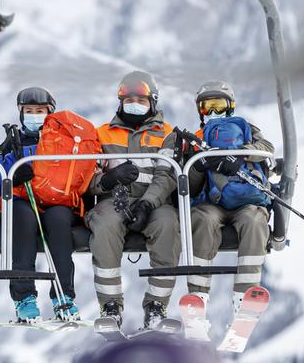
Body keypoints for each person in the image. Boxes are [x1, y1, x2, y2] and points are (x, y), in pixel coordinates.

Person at [86, 70, 181, 330]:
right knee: (104, 225)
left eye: (141, 100)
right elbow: (87, 178)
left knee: (168, 225)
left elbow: (166, 175)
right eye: (129, 101)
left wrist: (148, 202)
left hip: (154, 201)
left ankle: (156, 307)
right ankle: (111, 306)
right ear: (120, 102)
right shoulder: (101, 134)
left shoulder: (167, 134)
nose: (134, 105)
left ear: (152, 102)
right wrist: (108, 180)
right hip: (114, 200)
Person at [184, 80, 275, 315]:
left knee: (255, 221)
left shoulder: (245, 128)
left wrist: (241, 154)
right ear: (200, 111)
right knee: (202, 220)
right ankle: (198, 296)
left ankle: (245, 296)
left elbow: (266, 148)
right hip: (210, 203)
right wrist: (198, 166)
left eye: (219, 106)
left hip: (245, 199)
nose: (214, 112)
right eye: (207, 107)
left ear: (230, 106)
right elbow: (189, 188)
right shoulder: (195, 139)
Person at [0, 87, 82, 322]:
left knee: (59, 220)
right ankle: (24, 297)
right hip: (24, 198)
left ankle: (63, 295)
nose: (34, 115)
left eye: (40, 111)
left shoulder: (63, 141)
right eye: (29, 111)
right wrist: (13, 175)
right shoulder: (13, 143)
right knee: (23, 219)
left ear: (50, 112)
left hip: (55, 199)